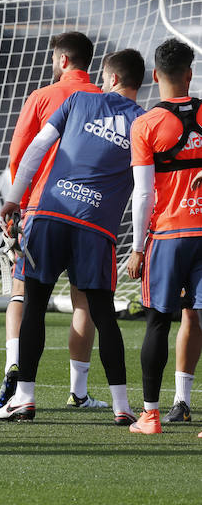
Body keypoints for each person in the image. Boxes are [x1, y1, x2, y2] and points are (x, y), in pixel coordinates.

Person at [0, 49, 146, 425]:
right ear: (141, 82)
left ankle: (25, 398)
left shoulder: (78, 100)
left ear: (109, 78)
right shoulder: (145, 123)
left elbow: (35, 149)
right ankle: (122, 407)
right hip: (96, 230)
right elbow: (144, 190)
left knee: (34, 304)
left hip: (50, 215)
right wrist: (139, 245)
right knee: (103, 315)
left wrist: (14, 199)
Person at [0, 31, 107, 410]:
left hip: (42, 210)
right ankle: (78, 391)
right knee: (85, 302)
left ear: (62, 60)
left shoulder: (43, 97)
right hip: (89, 214)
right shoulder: (105, 100)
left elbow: (21, 153)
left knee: (23, 292)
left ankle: (17, 369)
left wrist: (18, 203)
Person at [126, 38, 202, 435]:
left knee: (158, 320)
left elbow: (143, 194)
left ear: (155, 76)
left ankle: (150, 416)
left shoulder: (146, 124)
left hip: (170, 235)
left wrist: (138, 249)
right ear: (190, 74)